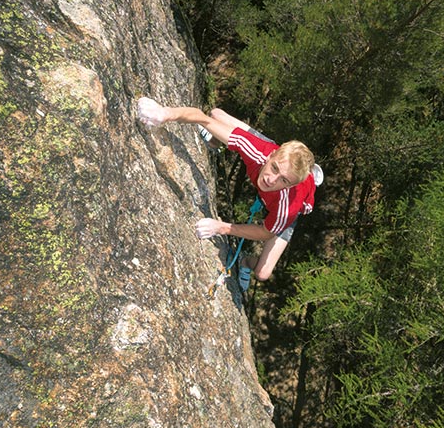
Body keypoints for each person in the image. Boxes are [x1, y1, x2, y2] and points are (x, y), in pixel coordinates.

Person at [137, 97, 323, 291]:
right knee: (216, 115)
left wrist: (222, 227)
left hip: (293, 201)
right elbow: (203, 119)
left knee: (263, 273)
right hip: (269, 152)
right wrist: (165, 113)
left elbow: (265, 232)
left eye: (283, 180)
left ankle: (245, 262)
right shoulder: (258, 151)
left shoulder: (287, 208)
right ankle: (216, 141)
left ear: (290, 184)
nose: (271, 180)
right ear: (271, 156)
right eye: (274, 168)